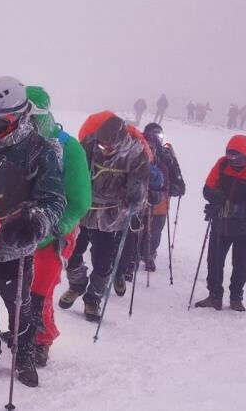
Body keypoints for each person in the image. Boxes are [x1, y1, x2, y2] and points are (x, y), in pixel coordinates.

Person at [0, 76, 66, 388]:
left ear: (15, 117)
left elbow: (53, 198)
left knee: (19, 305)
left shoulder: (39, 149)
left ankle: (24, 357)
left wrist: (35, 221)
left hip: (16, 244)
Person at [59, 112, 152, 321]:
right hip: (84, 210)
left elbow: (140, 182)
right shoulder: (89, 145)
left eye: (108, 145)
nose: (104, 148)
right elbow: (75, 172)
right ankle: (76, 285)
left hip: (112, 215)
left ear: (120, 139)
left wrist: (135, 194)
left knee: (103, 262)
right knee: (71, 253)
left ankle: (93, 299)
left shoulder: (136, 154)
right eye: (101, 144)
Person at [24, 85, 91, 367]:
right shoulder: (15, 142)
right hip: (17, 232)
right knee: (17, 289)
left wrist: (59, 226)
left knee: (41, 288)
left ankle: (41, 340)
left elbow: (79, 200)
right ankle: (22, 333)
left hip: (52, 234)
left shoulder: (68, 146)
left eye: (30, 116)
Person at [195, 135, 246, 312]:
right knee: (214, 260)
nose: (232, 160)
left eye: (236, 156)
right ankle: (214, 296)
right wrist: (215, 197)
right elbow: (208, 188)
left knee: (241, 263)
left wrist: (224, 207)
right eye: (229, 155)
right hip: (221, 224)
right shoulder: (222, 164)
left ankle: (236, 298)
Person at [115, 123, 185, 287]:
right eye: (150, 135)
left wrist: (167, 189)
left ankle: (148, 254)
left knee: (152, 230)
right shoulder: (138, 149)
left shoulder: (166, 154)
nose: (154, 140)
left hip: (158, 201)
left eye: (158, 136)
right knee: (135, 230)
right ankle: (130, 262)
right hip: (139, 199)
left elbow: (178, 182)